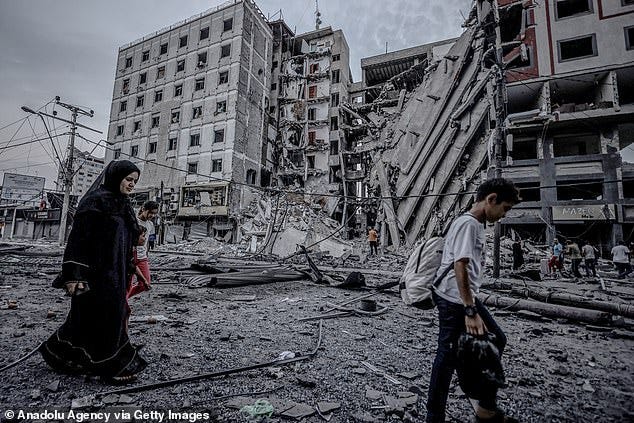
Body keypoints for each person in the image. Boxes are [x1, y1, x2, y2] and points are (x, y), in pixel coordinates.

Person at [39, 160, 147, 383]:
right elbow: (78, 241)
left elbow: (125, 241)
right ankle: (109, 366)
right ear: (116, 177)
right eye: (128, 180)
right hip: (94, 275)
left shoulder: (124, 204)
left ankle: (59, 353)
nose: (131, 185)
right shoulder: (94, 202)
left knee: (94, 320)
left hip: (116, 274)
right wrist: (73, 275)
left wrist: (132, 267)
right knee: (101, 318)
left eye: (135, 181)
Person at [426, 178, 520, 423]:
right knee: (446, 356)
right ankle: (439, 415)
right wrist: (470, 310)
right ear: (491, 199)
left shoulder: (476, 224)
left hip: (461, 296)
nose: (503, 215)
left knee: (492, 340)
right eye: (505, 208)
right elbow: (461, 265)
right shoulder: (468, 224)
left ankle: (483, 405)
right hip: (454, 299)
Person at [130, 200, 159, 298]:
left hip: (142, 257)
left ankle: (123, 299)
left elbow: (146, 242)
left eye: (154, 213)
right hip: (130, 256)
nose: (152, 215)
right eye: (150, 212)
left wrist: (146, 254)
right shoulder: (133, 221)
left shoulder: (150, 224)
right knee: (126, 284)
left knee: (144, 284)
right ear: (143, 209)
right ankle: (121, 303)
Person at [127, 226, 151, 299]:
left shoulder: (132, 249)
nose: (145, 239)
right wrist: (144, 280)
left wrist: (144, 280)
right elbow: (132, 266)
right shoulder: (128, 250)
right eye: (143, 236)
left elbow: (133, 266)